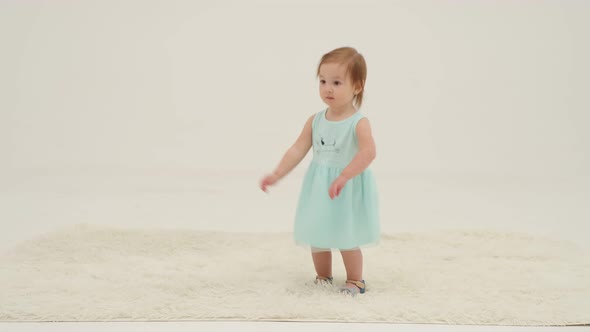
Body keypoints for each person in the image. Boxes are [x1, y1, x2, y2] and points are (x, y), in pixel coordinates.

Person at [259, 47, 379, 296]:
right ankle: (323, 276)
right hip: (320, 186)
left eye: (337, 82)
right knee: (318, 232)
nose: (328, 88)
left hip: (346, 186)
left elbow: (368, 153)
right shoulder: (316, 120)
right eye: (323, 81)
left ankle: (356, 280)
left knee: (346, 234)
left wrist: (345, 175)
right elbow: (297, 150)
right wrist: (277, 173)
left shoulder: (358, 122)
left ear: (357, 86)